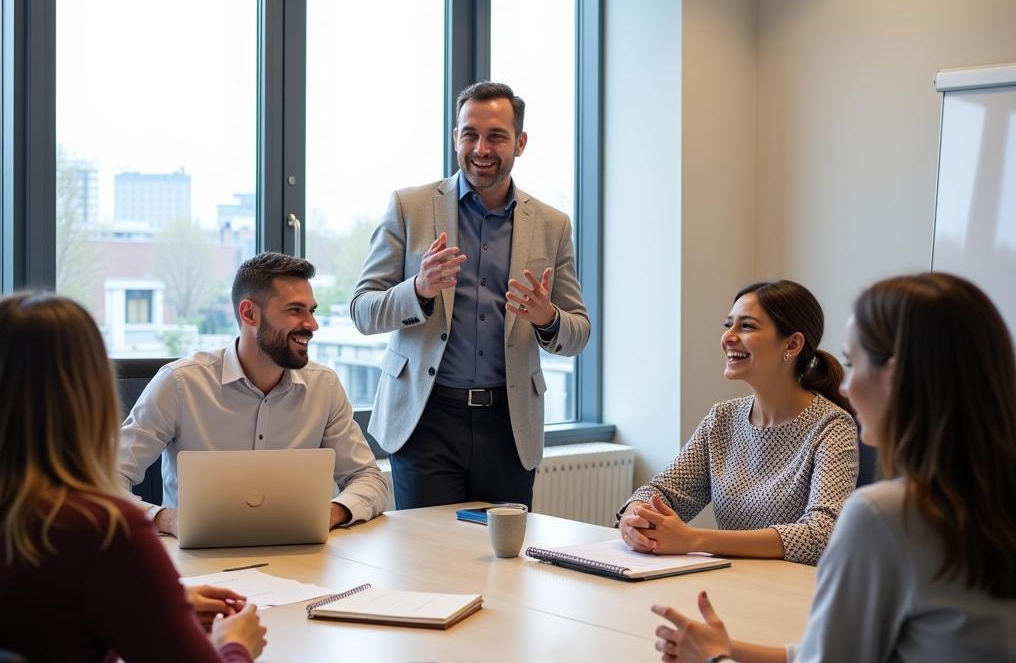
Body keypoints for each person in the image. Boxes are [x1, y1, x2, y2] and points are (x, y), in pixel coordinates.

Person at [652, 273, 1016, 663]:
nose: (844, 386)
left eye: (855, 362)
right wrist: (738, 652)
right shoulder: (989, 506)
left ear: (898, 375)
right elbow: (899, 654)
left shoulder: (887, 517)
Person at [0, 292, 268, 663]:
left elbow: (36, 610)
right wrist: (234, 648)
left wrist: (160, 602)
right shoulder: (102, 532)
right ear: (92, 396)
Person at [350, 81, 591, 510]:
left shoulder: (553, 224)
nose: (481, 147)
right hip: (425, 418)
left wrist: (546, 317)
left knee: (501, 567)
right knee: (425, 564)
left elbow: (578, 333)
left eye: (496, 135)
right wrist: (418, 290)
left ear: (520, 143)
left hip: (509, 423)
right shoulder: (410, 207)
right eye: (470, 134)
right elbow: (363, 311)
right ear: (455, 139)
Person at [119, 251, 389, 535]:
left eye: (312, 310)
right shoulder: (180, 383)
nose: (311, 324)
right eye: (295, 310)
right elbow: (103, 481)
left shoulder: (324, 386)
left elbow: (368, 478)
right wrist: (165, 519)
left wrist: (331, 513)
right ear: (249, 313)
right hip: (199, 560)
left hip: (302, 556)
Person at [619, 280, 858, 565]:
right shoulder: (722, 419)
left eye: (746, 326)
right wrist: (634, 515)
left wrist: (694, 539)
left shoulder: (832, 426)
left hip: (799, 595)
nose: (728, 338)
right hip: (732, 583)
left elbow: (822, 535)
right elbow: (662, 492)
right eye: (728, 325)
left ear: (792, 344)